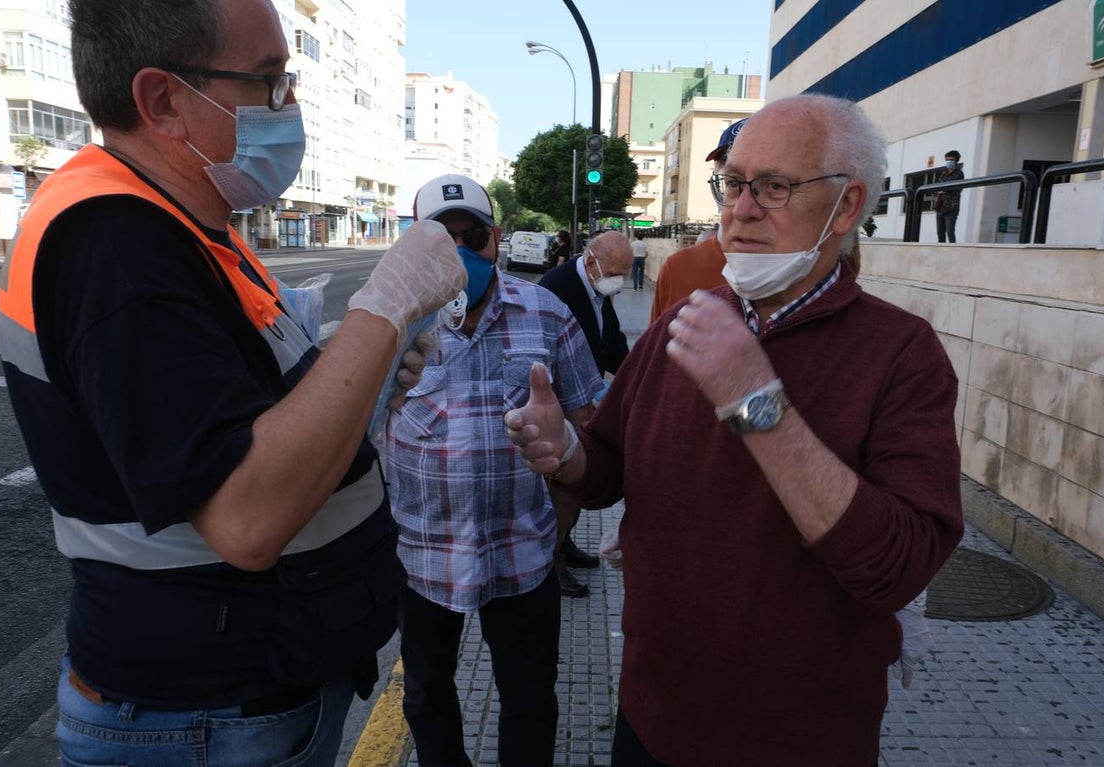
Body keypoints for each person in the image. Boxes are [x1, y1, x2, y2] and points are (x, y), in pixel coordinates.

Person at [0, 2, 465, 765]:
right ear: (164, 101)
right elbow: (247, 516)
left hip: (244, 703)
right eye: (269, 80)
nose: (291, 106)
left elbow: (250, 413)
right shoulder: (121, 248)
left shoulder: (186, 224)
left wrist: (365, 374)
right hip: (204, 723)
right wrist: (385, 306)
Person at [504, 94, 963, 765]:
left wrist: (754, 398)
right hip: (649, 722)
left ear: (845, 206)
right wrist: (565, 450)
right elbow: (609, 465)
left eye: (774, 186)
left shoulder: (902, 354)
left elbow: (897, 568)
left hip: (801, 745)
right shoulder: (681, 321)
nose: (740, 208)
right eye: (733, 183)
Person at [383, 173, 603, 767]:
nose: (459, 252)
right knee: (427, 695)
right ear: (414, 240)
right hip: (424, 558)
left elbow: (589, 427)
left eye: (472, 235)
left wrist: (556, 531)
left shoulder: (547, 314)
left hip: (525, 556)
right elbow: (350, 433)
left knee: (529, 698)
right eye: (440, 237)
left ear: (496, 238)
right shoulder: (388, 325)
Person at [537, 232, 632, 596]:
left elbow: (611, 339)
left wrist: (633, 374)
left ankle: (566, 545)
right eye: (615, 273)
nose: (619, 282)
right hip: (558, 401)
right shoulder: (557, 286)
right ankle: (551, 563)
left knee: (573, 486)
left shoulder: (598, 287)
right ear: (592, 262)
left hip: (584, 395)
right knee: (562, 486)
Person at [649, 118, 746, 323]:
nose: (744, 205)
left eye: (771, 185)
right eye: (733, 182)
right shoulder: (678, 269)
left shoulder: (806, 271)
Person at [935, 149, 964, 243]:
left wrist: (942, 189)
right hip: (940, 206)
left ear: (956, 161)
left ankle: (953, 250)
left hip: (951, 207)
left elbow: (952, 187)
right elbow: (937, 186)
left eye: (951, 159)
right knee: (940, 233)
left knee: (950, 232)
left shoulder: (959, 174)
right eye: (947, 159)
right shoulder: (944, 173)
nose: (949, 162)